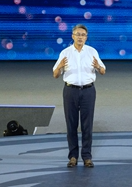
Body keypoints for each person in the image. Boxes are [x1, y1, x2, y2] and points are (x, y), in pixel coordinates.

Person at [52, 24, 106, 168]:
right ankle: (73, 157)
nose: (80, 37)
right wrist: (59, 67)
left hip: (88, 91)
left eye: (83, 35)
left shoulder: (92, 51)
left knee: (87, 125)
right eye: (78, 34)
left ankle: (87, 157)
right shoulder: (65, 53)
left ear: (86, 37)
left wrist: (98, 67)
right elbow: (55, 74)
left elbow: (103, 70)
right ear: (72, 36)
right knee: (71, 125)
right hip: (70, 91)